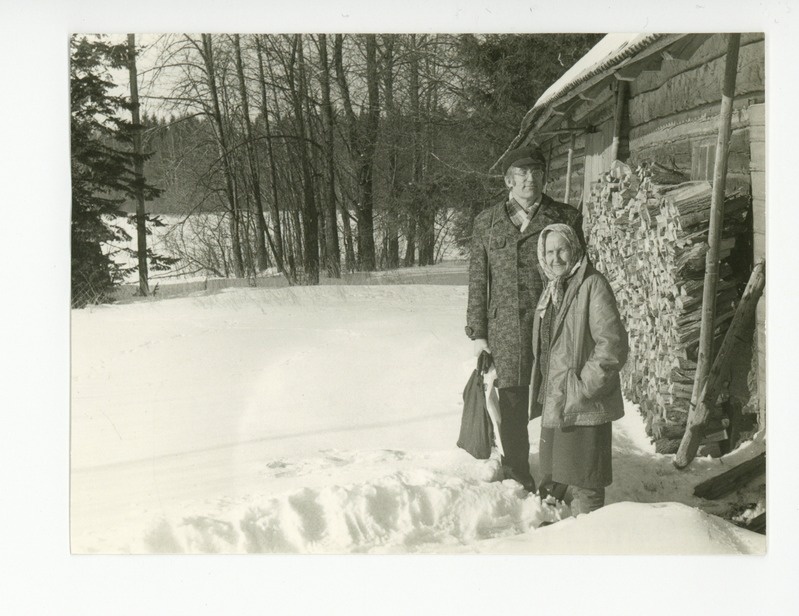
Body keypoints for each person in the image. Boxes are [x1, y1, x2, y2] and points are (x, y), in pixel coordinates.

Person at [465, 146, 584, 492]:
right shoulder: (486, 222)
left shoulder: (565, 217)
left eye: (536, 172)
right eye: (522, 173)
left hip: (554, 326)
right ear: (508, 179)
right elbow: (477, 281)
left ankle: (557, 473)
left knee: (556, 397)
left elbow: (580, 275)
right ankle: (518, 471)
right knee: (513, 403)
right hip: (506, 330)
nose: (530, 179)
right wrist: (478, 334)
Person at [530, 223, 628, 514]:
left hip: (582, 402)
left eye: (561, 249)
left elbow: (611, 345)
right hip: (559, 399)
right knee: (560, 473)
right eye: (549, 251)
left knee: (586, 481)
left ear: (574, 248)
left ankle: (589, 542)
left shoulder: (591, 284)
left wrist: (585, 387)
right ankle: (565, 539)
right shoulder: (553, 288)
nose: (555, 258)